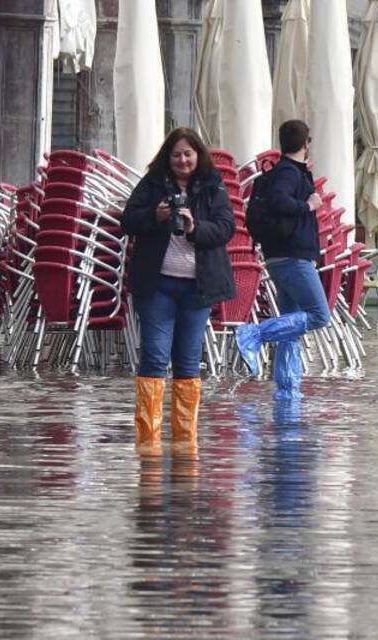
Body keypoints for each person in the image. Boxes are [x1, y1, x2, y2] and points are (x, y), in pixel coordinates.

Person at [121, 128, 236, 455]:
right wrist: (154, 216)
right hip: (157, 284)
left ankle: (185, 440)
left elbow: (226, 228)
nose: (182, 160)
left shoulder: (213, 185)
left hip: (198, 287)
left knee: (188, 361)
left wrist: (196, 226)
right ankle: (148, 441)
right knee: (154, 356)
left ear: (198, 155)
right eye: (176, 155)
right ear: (167, 157)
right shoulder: (153, 183)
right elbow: (128, 220)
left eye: (188, 154)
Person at [235, 120, 330, 400]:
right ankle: (254, 334)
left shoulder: (286, 171)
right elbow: (279, 200)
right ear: (306, 144)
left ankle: (287, 390)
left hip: (282, 257)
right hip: (293, 258)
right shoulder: (288, 173)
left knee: (291, 325)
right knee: (318, 315)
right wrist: (308, 205)